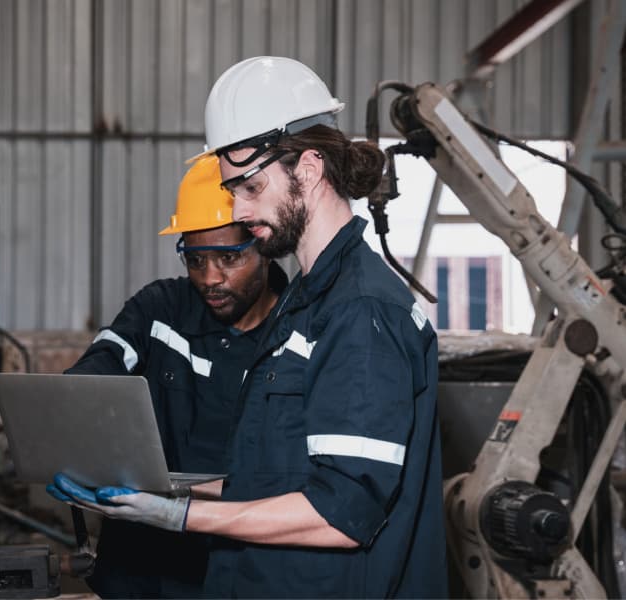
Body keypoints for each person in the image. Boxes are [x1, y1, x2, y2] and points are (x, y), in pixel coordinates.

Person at [49, 56, 447, 599]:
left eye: (250, 187)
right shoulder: (307, 300)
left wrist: (179, 515)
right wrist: (149, 491)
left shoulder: (360, 311)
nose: (238, 207)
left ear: (308, 169)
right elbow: (272, 478)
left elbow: (340, 513)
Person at [62, 154, 287, 598]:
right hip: (136, 567)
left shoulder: (295, 332)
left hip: (234, 568)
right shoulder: (161, 309)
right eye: (195, 259)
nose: (210, 279)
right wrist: (74, 441)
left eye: (228, 258)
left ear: (261, 242)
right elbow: (95, 372)